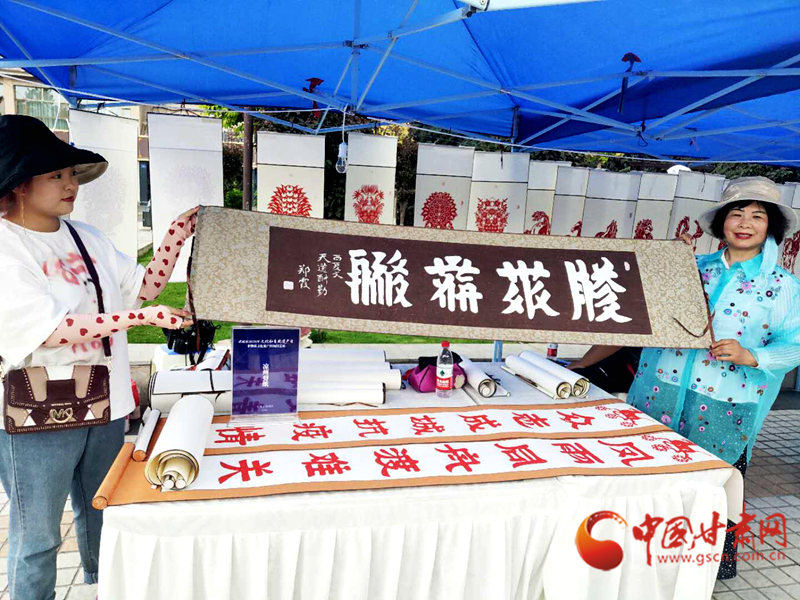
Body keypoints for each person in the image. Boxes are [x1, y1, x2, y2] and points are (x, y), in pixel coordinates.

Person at [0, 114, 199, 599]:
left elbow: (143, 290)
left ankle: (101, 590)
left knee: (104, 517)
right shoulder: (7, 247)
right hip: (37, 416)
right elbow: (51, 332)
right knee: (38, 537)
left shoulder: (85, 237)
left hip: (106, 405)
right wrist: (141, 320)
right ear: (20, 184)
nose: (71, 185)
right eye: (56, 175)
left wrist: (175, 235)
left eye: (71, 174)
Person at [626, 176, 800, 579]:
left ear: (771, 227)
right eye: (736, 213)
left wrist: (752, 355)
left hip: (725, 405)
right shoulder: (693, 269)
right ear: (722, 222)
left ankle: (703, 573)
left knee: (715, 487)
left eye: (757, 216)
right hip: (661, 393)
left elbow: (795, 344)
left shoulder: (782, 287)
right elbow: (647, 314)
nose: (745, 223)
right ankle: (648, 562)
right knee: (654, 480)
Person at [567, 345, 642, 393]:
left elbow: (618, 338)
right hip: (620, 359)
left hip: (634, 371)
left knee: (578, 379)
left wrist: (582, 363)